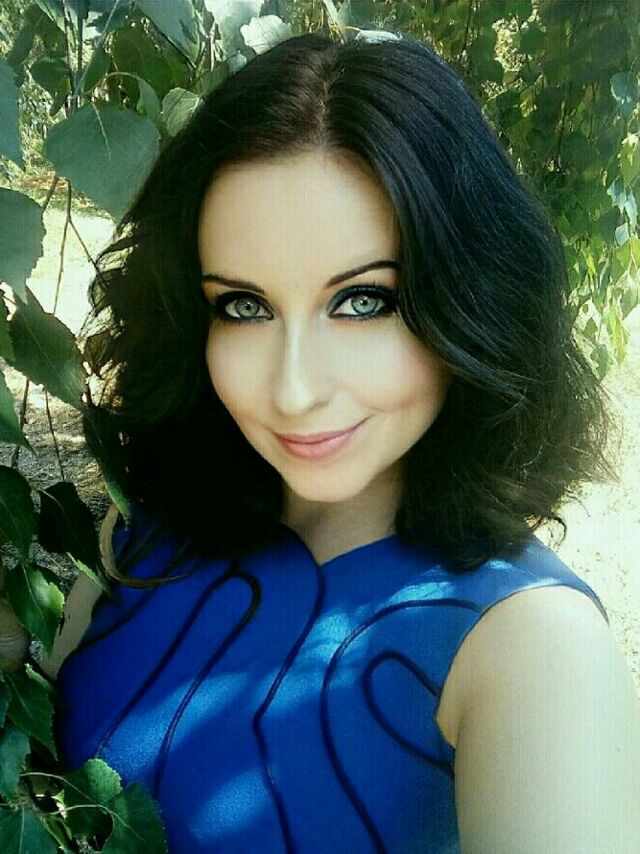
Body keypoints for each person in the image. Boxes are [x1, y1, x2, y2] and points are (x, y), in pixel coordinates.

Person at [22, 30, 640, 852]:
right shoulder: (146, 527)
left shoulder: (534, 648)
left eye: (363, 302)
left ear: (471, 299)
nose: (294, 389)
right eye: (244, 306)